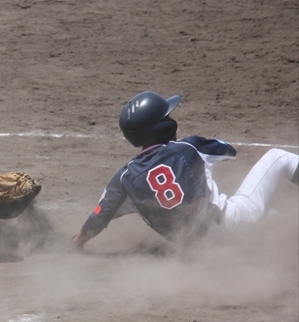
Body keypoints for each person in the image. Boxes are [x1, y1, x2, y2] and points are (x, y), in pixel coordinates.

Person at [73, 90, 299, 248]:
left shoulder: (124, 178)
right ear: (162, 127)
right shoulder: (188, 146)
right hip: (234, 224)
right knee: (278, 158)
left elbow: (99, 218)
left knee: (272, 217)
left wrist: (76, 243)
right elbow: (228, 151)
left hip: (203, 254)